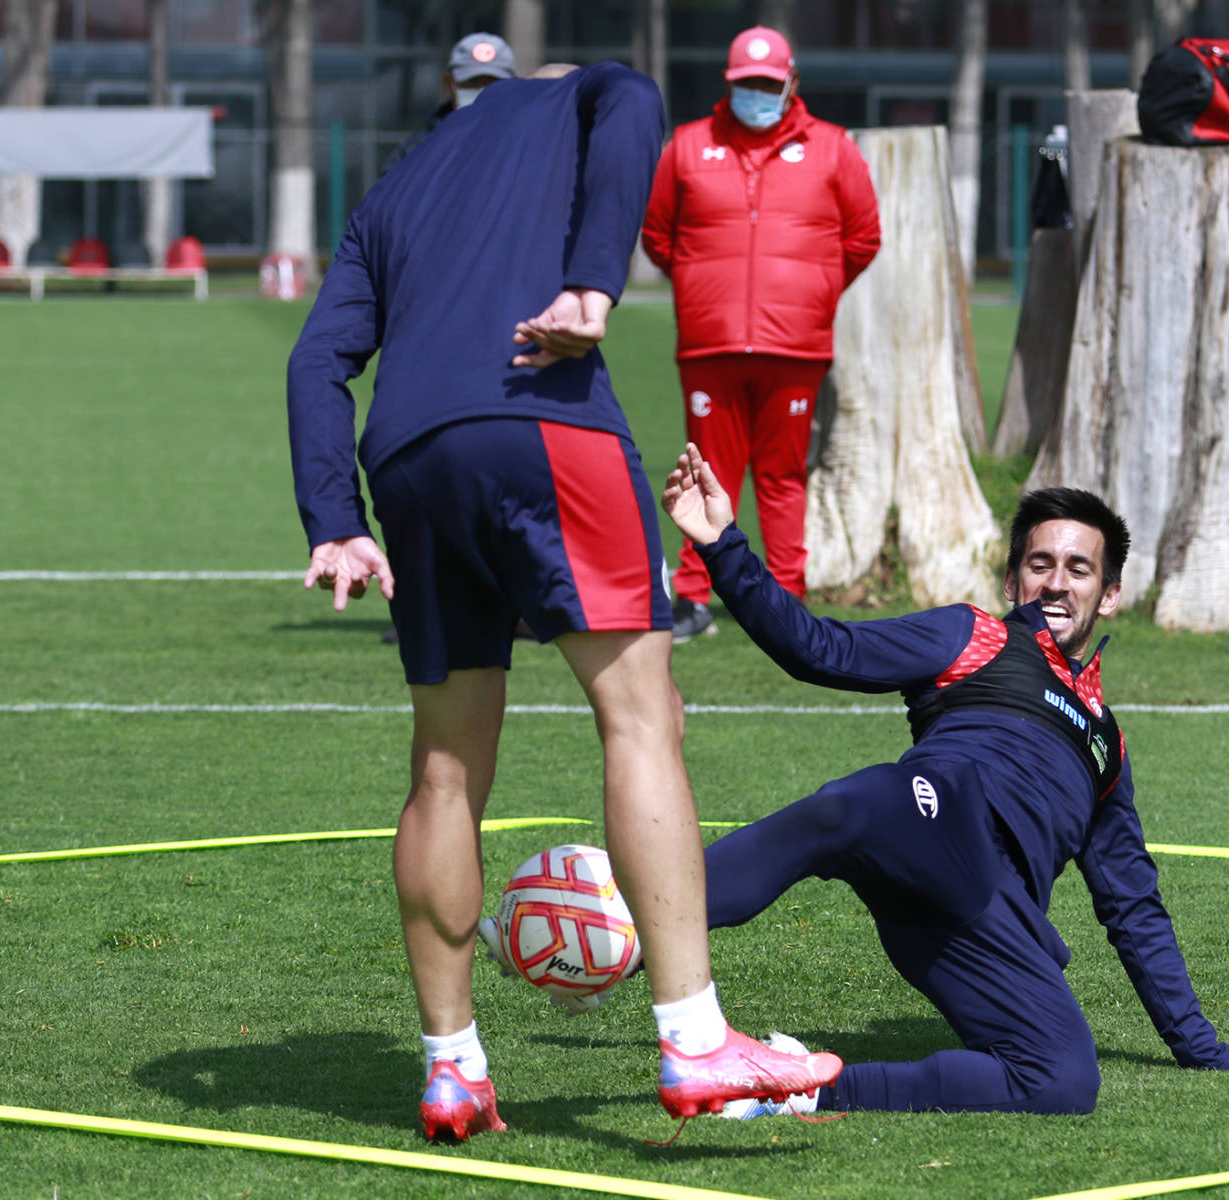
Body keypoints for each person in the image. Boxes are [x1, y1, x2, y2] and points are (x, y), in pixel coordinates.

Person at [284, 63, 842, 1142]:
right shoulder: (579, 92)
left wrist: (332, 517)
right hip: (541, 418)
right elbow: (634, 101)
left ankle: (451, 1070)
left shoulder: (391, 190)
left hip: (403, 459)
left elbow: (319, 360)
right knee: (642, 715)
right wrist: (596, 282)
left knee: (444, 769)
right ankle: (694, 1039)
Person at [659, 445, 1229, 1115]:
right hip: (930, 822)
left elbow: (1132, 906)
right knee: (855, 806)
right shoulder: (972, 635)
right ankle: (629, 926)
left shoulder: (1106, 747)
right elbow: (818, 648)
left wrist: (1206, 1052)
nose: (1057, 583)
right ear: (1013, 582)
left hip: (987, 913)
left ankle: (797, 1088)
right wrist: (723, 546)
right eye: (1040, 565)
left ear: (1110, 597)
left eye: (1080, 569)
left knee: (1064, 1082)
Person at [641, 25, 882, 642]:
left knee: (781, 475)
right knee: (705, 472)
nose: (756, 93)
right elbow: (658, 234)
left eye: (767, 83)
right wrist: (704, 288)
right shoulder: (689, 145)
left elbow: (862, 238)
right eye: (746, 83)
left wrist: (814, 293)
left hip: (794, 347)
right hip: (710, 344)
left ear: (791, 82)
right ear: (729, 83)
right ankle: (694, 598)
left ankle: (785, 600)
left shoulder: (832, 148)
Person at [382, 33, 518, 175]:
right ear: (449, 84)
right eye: (471, 83)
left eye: (492, 84)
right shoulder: (415, 153)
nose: (482, 92)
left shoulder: (529, 145)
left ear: (515, 84)